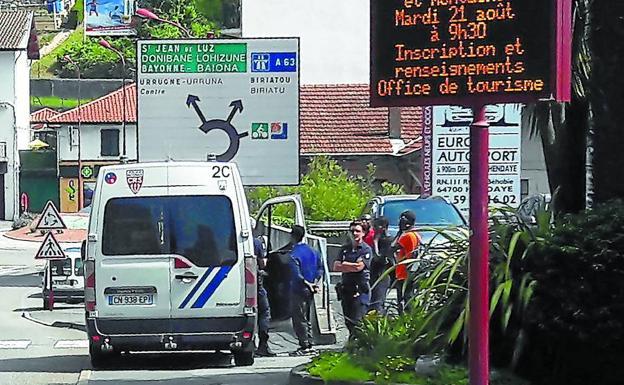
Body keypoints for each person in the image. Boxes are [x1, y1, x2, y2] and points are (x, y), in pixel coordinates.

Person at [288, 225, 324, 356]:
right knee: (307, 315)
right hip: (311, 289)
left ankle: (305, 345)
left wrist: (307, 283)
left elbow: (296, 275)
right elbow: (320, 268)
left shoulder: (293, 255)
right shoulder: (314, 251)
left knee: (299, 317)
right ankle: (310, 342)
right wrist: (314, 282)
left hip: (299, 289)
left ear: (292, 236)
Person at [334, 221, 372, 337]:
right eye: (352, 231)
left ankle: (357, 346)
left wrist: (345, 265)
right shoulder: (344, 249)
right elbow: (336, 267)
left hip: (360, 290)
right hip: (346, 289)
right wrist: (351, 265)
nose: (354, 233)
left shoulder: (366, 249)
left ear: (363, 233)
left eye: (357, 231)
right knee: (348, 321)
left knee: (358, 321)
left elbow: (359, 267)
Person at [394, 210, 421, 312]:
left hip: (404, 272)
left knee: (403, 299)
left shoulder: (406, 236)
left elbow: (392, 247)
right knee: (409, 297)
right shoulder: (416, 234)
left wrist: (399, 232)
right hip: (411, 271)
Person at [254, 237, 276, 357]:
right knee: (264, 312)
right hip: (255, 284)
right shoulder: (256, 243)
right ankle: (263, 344)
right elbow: (262, 264)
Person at [368, 216, 392, 314]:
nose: (373, 229)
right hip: (374, 274)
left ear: (383, 227)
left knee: (377, 303)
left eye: (376, 226)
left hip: (381, 275)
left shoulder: (387, 241)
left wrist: (375, 241)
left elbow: (379, 257)